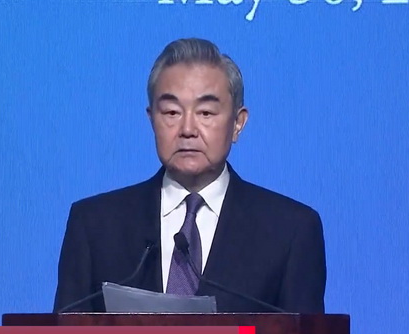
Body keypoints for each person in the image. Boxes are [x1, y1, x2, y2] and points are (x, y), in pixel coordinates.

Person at [52, 38, 326, 314]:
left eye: (206, 112)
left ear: (238, 123)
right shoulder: (94, 225)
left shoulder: (290, 231)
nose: (187, 130)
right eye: (171, 112)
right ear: (152, 119)